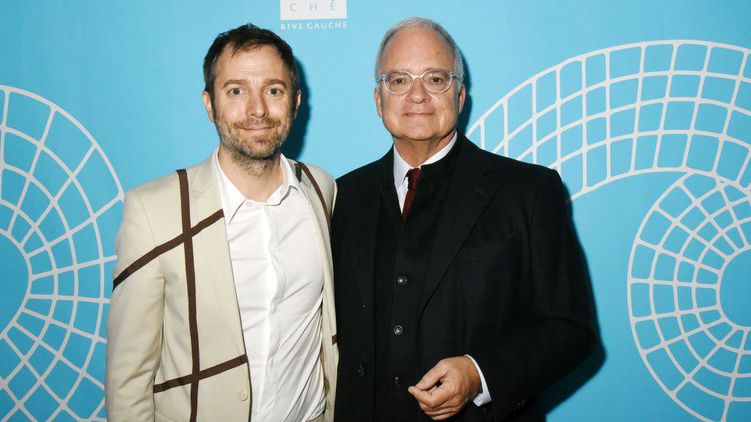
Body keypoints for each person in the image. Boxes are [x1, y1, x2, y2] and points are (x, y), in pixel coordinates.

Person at [332, 17, 596, 421]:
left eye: (435, 79)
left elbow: (570, 328)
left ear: (459, 95)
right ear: (378, 100)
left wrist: (479, 374)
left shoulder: (529, 192)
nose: (417, 94)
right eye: (398, 80)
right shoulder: (343, 196)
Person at [106, 24, 337, 422]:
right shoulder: (154, 211)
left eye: (273, 90)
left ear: (295, 101)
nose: (257, 109)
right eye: (236, 91)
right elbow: (129, 381)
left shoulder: (321, 190)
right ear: (209, 104)